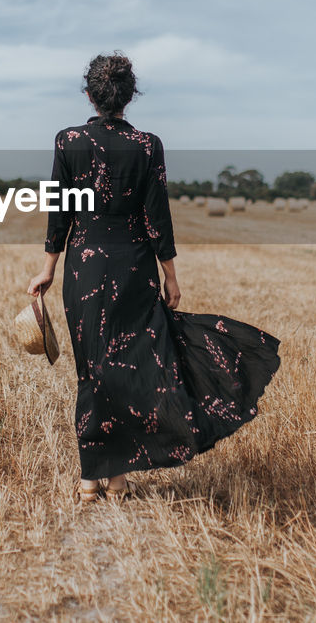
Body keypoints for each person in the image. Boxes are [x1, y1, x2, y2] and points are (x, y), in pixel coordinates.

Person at [27, 51, 281, 504]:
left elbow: (58, 211)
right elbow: (157, 218)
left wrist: (48, 268)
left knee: (93, 369)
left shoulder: (67, 141)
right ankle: (118, 479)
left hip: (84, 269)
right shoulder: (148, 146)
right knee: (128, 369)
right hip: (133, 268)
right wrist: (171, 276)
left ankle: (92, 480)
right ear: (129, 97)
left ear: (89, 94)